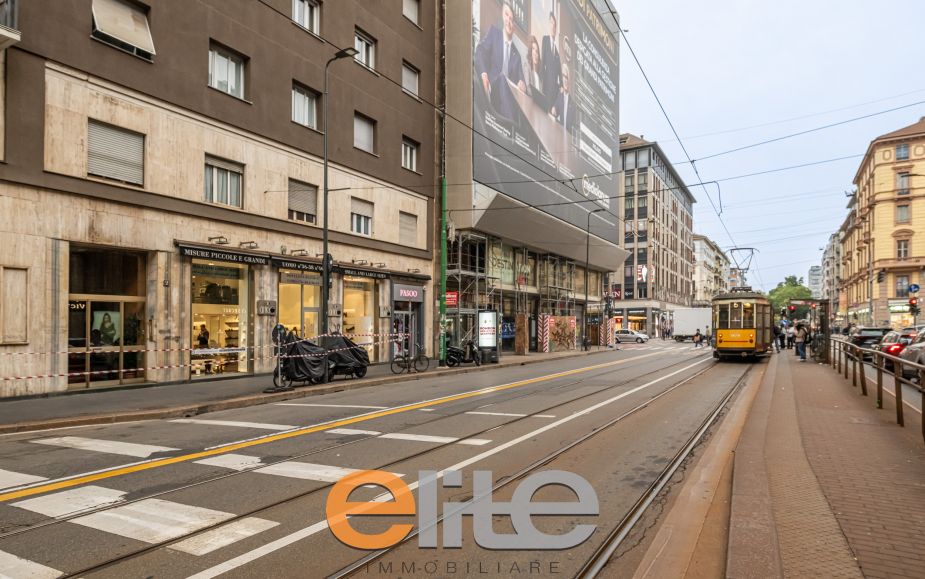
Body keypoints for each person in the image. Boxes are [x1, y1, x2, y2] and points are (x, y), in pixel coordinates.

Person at [475, 2, 526, 117]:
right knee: (503, 79)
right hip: (493, 87)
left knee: (508, 84)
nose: (508, 20)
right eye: (506, 15)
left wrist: (522, 84)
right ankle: (510, 128)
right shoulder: (494, 33)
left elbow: (521, 78)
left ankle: (513, 129)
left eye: (511, 19)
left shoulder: (516, 55)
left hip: (509, 98)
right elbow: (480, 51)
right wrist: (483, 74)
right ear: (502, 17)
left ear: (514, 27)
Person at [540, 11, 562, 111]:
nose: (553, 26)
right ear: (549, 24)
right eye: (551, 23)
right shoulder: (545, 40)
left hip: (553, 95)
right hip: (544, 89)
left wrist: (559, 90)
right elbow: (542, 63)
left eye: (555, 24)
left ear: (556, 29)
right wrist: (540, 85)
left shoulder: (557, 54)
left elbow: (561, 78)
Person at [551, 61, 578, 134]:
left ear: (569, 80)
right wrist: (553, 109)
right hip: (559, 135)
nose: (565, 80)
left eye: (566, 77)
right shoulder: (560, 96)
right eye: (563, 77)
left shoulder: (573, 105)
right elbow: (554, 109)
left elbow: (575, 129)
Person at [526, 35, 545, 105]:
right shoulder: (527, 67)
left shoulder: (540, 76)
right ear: (530, 52)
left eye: (537, 52)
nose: (536, 54)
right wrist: (539, 99)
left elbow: (541, 93)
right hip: (530, 106)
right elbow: (527, 88)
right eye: (533, 50)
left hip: (539, 108)